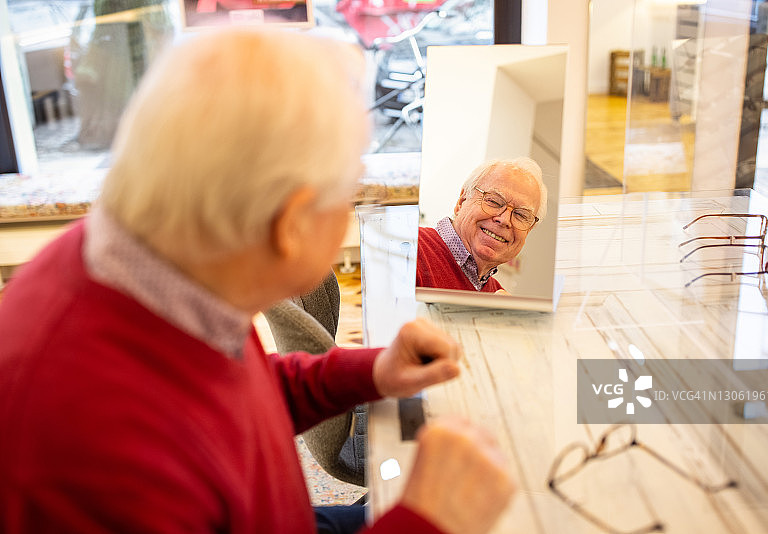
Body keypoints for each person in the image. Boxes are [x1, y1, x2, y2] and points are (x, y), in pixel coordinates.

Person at [0, 28, 515, 534]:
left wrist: (372, 370)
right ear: (291, 225)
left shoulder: (160, 263)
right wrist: (424, 523)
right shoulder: (99, 459)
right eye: (350, 192)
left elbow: (233, 394)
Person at [416, 158, 547, 292]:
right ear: (462, 201)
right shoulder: (412, 249)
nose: (505, 220)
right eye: (494, 201)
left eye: (521, 215)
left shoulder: (496, 295)